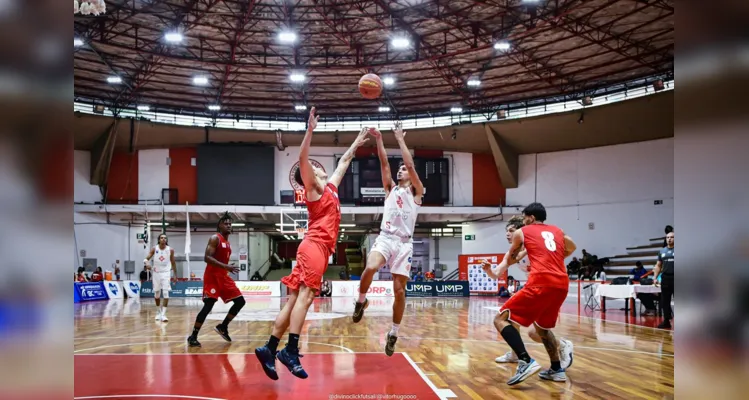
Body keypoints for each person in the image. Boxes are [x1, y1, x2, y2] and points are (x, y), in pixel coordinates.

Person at [255, 108, 370, 380]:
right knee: (306, 297)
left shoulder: (330, 187)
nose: (319, 167)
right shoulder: (313, 189)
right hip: (314, 247)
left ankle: (269, 348)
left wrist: (357, 141)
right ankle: (290, 350)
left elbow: (343, 162)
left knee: (295, 298)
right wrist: (309, 130)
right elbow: (303, 158)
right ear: (309, 176)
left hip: (314, 248)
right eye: (315, 168)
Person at [482, 203, 576, 385]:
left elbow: (511, 257)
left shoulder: (524, 233)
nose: (508, 234)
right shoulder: (556, 231)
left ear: (529, 219)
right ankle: (556, 369)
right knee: (538, 331)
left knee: (501, 319)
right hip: (561, 284)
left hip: (540, 282)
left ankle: (525, 360)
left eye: (511, 230)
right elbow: (571, 246)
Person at [351, 122, 424, 356]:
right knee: (369, 268)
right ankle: (361, 301)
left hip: (404, 243)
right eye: (400, 169)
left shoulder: (417, 192)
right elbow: (384, 162)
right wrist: (380, 139)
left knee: (400, 291)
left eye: (403, 169)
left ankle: (393, 333)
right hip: (386, 237)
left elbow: (411, 164)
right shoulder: (390, 189)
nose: (401, 170)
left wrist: (400, 139)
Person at [187, 212, 244, 347]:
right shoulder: (215, 238)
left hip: (224, 276)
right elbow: (207, 258)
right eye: (226, 223)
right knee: (209, 305)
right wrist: (226, 266)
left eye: (230, 224)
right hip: (212, 277)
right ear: (219, 225)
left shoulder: (228, 243)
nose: (229, 225)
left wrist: (226, 269)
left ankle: (223, 326)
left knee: (240, 301)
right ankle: (193, 336)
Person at [144, 233, 177, 322]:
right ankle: (158, 312)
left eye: (165, 238)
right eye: (161, 238)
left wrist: (175, 274)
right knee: (157, 295)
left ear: (166, 240)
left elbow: (173, 262)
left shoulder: (170, 250)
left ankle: (163, 314)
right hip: (156, 273)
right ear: (159, 240)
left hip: (166, 273)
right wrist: (147, 265)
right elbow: (146, 259)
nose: (163, 239)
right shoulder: (155, 248)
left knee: (166, 293)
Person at [653, 230, 674, 329]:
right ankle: (666, 321)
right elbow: (658, 265)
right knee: (665, 301)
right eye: (668, 237)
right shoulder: (662, 251)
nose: (669, 239)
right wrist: (655, 277)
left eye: (672, 237)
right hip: (666, 278)